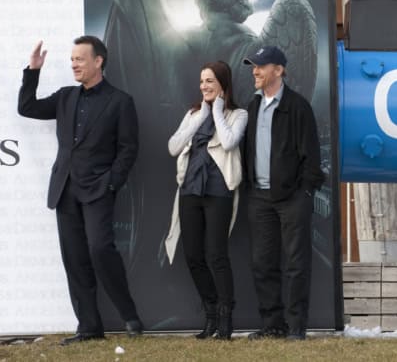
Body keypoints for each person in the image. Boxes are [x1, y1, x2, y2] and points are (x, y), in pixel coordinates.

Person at [17, 36, 143, 345]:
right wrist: (32, 71)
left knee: (100, 249)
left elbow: (128, 149)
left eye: (80, 59)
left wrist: (112, 182)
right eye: (72, 59)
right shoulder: (65, 97)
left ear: (98, 61)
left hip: (99, 189)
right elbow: (27, 107)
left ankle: (129, 314)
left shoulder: (120, 101)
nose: (74, 63)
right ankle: (89, 327)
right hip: (65, 190)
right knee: (74, 259)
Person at [241, 46, 324, 340]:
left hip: (292, 199)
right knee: (262, 264)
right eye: (253, 66)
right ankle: (272, 326)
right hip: (259, 198)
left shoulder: (298, 107)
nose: (255, 70)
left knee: (296, 263)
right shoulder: (250, 107)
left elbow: (312, 159)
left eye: (261, 66)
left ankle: (296, 327)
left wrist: (304, 193)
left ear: (279, 70)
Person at [165, 61, 247, 340]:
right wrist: (200, 117)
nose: (204, 86)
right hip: (190, 191)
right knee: (193, 256)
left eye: (210, 81)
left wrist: (216, 111)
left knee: (216, 255)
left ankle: (226, 320)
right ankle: (210, 315)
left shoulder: (238, 114)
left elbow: (228, 142)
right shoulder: (192, 114)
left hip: (218, 192)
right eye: (202, 81)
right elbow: (173, 147)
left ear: (223, 83)